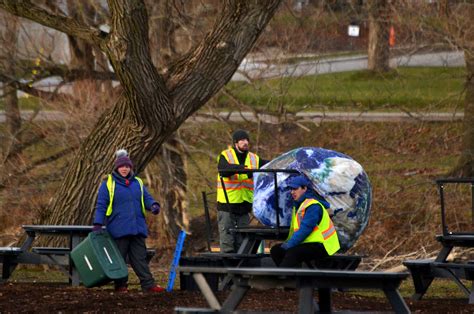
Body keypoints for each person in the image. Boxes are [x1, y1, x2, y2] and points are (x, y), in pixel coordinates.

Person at [92, 149, 165, 293]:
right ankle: (120, 286)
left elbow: (147, 198)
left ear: (130, 167)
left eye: (127, 166)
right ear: (117, 167)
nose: (124, 169)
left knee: (140, 259)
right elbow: (101, 205)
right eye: (121, 166)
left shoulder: (137, 182)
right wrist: (97, 224)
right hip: (119, 229)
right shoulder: (108, 184)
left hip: (138, 228)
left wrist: (153, 205)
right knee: (119, 260)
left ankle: (148, 285)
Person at [270, 175, 340, 267]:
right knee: (276, 250)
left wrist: (289, 244)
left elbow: (305, 229)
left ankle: (284, 277)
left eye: (295, 189)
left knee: (293, 252)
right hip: (308, 243)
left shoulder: (313, 206)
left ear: (304, 188)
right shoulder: (300, 205)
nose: (292, 192)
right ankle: (291, 277)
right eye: (291, 189)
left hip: (323, 245)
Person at [216, 129, 268, 253]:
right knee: (227, 240)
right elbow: (223, 170)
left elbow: (268, 165)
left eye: (247, 140)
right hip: (227, 205)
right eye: (242, 140)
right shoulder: (225, 155)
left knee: (243, 242)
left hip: (244, 206)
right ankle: (228, 268)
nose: (245, 142)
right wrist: (240, 169)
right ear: (235, 143)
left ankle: (241, 268)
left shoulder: (254, 158)